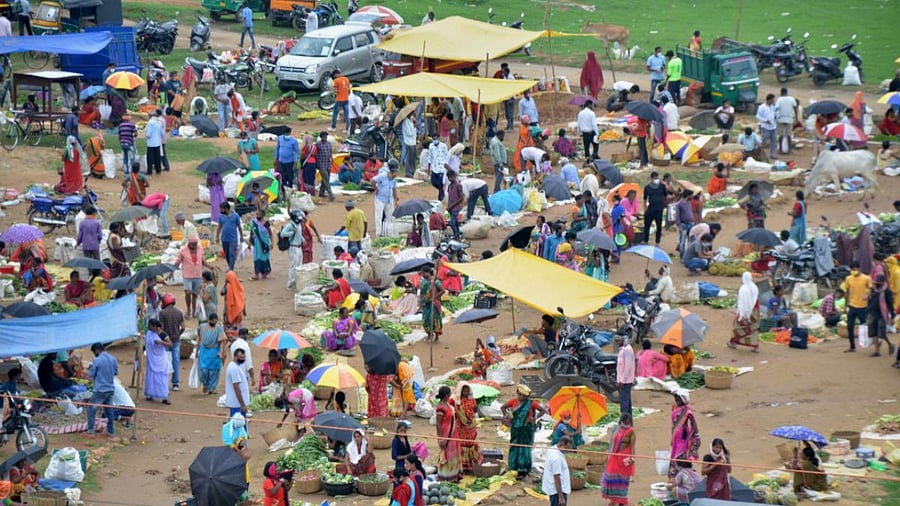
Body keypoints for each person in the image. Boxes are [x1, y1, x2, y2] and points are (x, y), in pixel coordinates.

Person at [501, 384, 546, 479]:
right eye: (521, 395)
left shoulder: (531, 403)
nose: (522, 397)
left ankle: (524, 469)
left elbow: (542, 410)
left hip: (527, 429)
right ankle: (513, 466)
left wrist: (535, 418)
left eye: (525, 396)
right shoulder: (513, 402)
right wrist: (507, 416)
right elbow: (503, 407)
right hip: (515, 429)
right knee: (514, 446)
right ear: (517, 393)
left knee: (525, 447)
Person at [173, 236, 213, 319]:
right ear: (189, 244)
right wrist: (171, 271)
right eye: (193, 244)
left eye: (195, 244)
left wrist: (210, 267)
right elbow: (178, 262)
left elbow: (202, 261)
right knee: (188, 292)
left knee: (195, 294)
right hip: (187, 275)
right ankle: (188, 310)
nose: (194, 246)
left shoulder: (200, 250)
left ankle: (194, 311)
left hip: (197, 275)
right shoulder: (183, 251)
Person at [601, 413, 636, 505]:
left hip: (624, 460)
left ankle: (622, 500)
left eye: (628, 422)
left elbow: (632, 447)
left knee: (623, 480)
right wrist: (607, 456)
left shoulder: (631, 431)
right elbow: (611, 443)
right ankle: (614, 499)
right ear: (621, 421)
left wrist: (632, 459)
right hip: (614, 458)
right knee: (612, 478)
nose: (627, 424)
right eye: (625, 422)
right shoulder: (616, 429)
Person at [85, 343, 118, 438]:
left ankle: (90, 431)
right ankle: (111, 432)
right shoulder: (113, 359)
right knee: (109, 410)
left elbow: (91, 375)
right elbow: (116, 372)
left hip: (100, 389)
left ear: (96, 350)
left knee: (91, 409)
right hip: (110, 389)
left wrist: (88, 371)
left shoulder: (97, 360)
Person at [667, 389, 700, 479]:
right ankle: (674, 478)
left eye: (679, 398)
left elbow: (694, 423)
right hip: (675, 436)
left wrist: (696, 436)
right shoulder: (675, 407)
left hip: (683, 436)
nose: (677, 400)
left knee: (681, 455)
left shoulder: (687, 410)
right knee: (674, 454)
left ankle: (686, 476)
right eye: (676, 398)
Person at [841, 261, 871, 353]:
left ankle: (868, 343)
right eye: (852, 269)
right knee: (850, 326)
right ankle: (852, 346)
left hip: (863, 307)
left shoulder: (866, 278)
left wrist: (867, 296)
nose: (853, 271)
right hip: (852, 305)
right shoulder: (848, 279)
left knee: (864, 326)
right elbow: (847, 292)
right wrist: (846, 306)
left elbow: (871, 289)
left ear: (859, 268)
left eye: (854, 269)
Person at [727, 272, 761, 352]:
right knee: (753, 328)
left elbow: (743, 303)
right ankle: (755, 346)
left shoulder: (743, 289)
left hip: (746, 312)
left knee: (737, 327)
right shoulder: (754, 287)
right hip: (755, 311)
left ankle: (733, 342)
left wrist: (742, 314)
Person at [452, 382, 481, 472]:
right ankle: (463, 465)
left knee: (471, 444)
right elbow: (455, 413)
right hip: (461, 428)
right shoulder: (457, 401)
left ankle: (471, 464)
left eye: (467, 391)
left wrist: (470, 419)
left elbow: (476, 409)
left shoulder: (472, 400)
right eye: (464, 391)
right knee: (462, 444)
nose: (466, 393)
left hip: (471, 427)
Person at [144, 319, 173, 404]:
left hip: (160, 360)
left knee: (162, 379)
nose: (148, 327)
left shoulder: (162, 334)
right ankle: (150, 394)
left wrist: (160, 342)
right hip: (151, 359)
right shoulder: (149, 334)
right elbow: (146, 344)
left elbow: (170, 344)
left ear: (155, 326)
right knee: (151, 377)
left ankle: (164, 397)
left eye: (150, 325)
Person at [868, 274, 895, 358]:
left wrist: (891, 316)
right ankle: (877, 351)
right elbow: (870, 301)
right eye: (876, 282)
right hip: (873, 313)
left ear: (883, 283)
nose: (876, 284)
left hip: (882, 314)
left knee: (881, 332)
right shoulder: (873, 290)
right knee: (874, 333)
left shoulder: (887, 291)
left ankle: (890, 344)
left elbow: (890, 304)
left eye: (878, 283)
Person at [543, 435, 572, 506]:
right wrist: (561, 497)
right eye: (567, 448)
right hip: (557, 491)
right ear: (562, 445)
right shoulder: (556, 458)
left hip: (554, 488)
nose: (568, 451)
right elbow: (556, 477)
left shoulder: (552, 449)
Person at [374, 161, 400, 236]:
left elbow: (394, 189)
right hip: (380, 199)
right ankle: (378, 233)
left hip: (389, 200)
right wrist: (376, 189)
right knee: (378, 216)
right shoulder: (382, 176)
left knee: (390, 216)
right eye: (396, 172)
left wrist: (396, 201)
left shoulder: (394, 179)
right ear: (392, 171)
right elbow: (372, 180)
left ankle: (388, 233)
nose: (397, 174)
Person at [642, 171, 668, 245]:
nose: (656, 179)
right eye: (654, 178)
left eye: (657, 177)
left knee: (659, 226)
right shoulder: (647, 188)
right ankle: (646, 240)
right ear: (651, 178)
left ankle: (657, 242)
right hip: (650, 209)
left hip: (659, 210)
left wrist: (664, 205)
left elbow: (665, 196)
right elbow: (644, 199)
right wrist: (645, 208)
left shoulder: (662, 186)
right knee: (647, 226)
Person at [420, 266, 444, 342]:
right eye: (422, 274)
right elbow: (422, 292)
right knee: (426, 320)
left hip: (433, 303)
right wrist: (421, 302)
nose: (423, 275)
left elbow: (442, 291)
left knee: (434, 320)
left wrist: (434, 297)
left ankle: (436, 337)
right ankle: (429, 335)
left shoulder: (435, 281)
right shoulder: (423, 281)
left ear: (429, 272)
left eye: (424, 273)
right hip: (426, 303)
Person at [217, 202, 243, 271]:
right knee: (227, 254)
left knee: (232, 254)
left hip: (233, 239)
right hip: (224, 239)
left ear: (226, 209)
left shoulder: (235, 216)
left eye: (222, 209)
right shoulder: (221, 216)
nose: (221, 210)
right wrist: (217, 237)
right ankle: (230, 266)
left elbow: (239, 227)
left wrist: (241, 237)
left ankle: (231, 269)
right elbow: (219, 227)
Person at [614, 334, 635, 418]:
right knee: (627, 402)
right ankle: (628, 421)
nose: (617, 342)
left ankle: (624, 420)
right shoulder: (623, 350)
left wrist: (622, 380)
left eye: (619, 341)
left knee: (624, 403)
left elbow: (627, 367)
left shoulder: (627, 350)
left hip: (625, 381)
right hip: (622, 381)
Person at [775, 88, 798, 154]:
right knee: (789, 135)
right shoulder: (791, 99)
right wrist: (796, 118)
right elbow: (795, 108)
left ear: (781, 93)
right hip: (789, 118)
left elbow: (776, 108)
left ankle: (781, 150)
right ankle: (789, 150)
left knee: (781, 135)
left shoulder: (779, 99)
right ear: (787, 92)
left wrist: (776, 117)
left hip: (781, 118)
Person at [757, 93, 777, 160]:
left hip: (773, 126)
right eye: (773, 100)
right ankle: (759, 153)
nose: (774, 101)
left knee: (773, 141)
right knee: (764, 141)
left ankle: (772, 154)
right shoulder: (762, 107)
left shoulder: (772, 107)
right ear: (769, 100)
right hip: (765, 127)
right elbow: (758, 116)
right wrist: (765, 120)